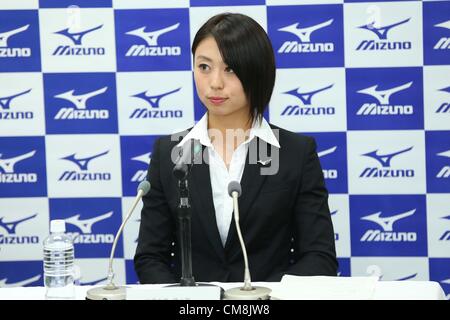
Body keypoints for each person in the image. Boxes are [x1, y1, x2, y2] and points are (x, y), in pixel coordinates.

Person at [134, 13, 337, 283]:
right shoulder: (171, 152)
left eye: (230, 69)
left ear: (257, 71)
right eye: (204, 67)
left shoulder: (295, 152)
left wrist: (261, 299)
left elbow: (318, 256)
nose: (215, 82)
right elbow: (150, 257)